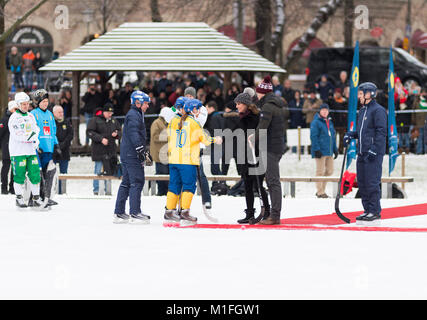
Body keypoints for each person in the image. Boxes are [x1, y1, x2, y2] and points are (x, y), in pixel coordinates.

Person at [164, 98, 222, 225]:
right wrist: (215, 139)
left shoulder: (174, 120)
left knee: (174, 185)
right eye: (197, 109)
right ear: (192, 110)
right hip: (188, 160)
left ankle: (169, 211)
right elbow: (205, 139)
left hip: (174, 159)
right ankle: (185, 212)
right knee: (189, 186)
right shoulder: (193, 123)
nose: (198, 112)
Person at [344, 82, 387, 224]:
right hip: (362, 152)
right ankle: (367, 209)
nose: (359, 97)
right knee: (362, 183)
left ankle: (374, 211)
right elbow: (363, 132)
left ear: (370, 94)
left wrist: (375, 149)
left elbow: (381, 132)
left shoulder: (378, 110)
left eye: (361, 94)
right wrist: (352, 134)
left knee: (371, 182)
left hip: (373, 153)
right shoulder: (362, 110)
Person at [252, 75, 286, 225]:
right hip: (277, 145)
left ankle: (275, 215)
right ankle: (274, 213)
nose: (256, 94)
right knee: (273, 181)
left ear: (263, 92)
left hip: (270, 147)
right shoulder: (276, 104)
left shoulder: (267, 106)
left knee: (273, 181)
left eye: (258, 92)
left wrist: (253, 138)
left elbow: (263, 127)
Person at [113, 91, 152, 223]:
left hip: (128, 153)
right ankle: (135, 213)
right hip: (131, 154)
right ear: (138, 102)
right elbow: (134, 133)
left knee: (127, 182)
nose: (147, 106)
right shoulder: (134, 115)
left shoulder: (136, 113)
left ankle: (119, 213)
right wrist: (140, 149)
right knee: (137, 181)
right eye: (145, 103)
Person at [234, 93, 270, 224]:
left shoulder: (256, 117)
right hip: (245, 155)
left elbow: (261, 134)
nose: (237, 106)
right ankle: (249, 212)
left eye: (239, 104)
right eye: (236, 104)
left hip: (257, 155)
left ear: (246, 104)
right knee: (247, 184)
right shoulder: (241, 117)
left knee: (258, 184)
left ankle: (266, 211)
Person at [8, 92, 44, 208]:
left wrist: (36, 140)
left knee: (35, 174)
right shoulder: (14, 118)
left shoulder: (30, 116)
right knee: (19, 175)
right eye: (23, 104)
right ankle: (19, 198)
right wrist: (31, 137)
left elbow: (36, 130)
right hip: (18, 151)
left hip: (30, 151)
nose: (25, 106)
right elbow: (17, 134)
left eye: (27, 104)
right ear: (18, 105)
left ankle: (36, 198)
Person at [184, 87, 212, 212]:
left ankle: (207, 199)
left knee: (200, 174)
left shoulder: (201, 108)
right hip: (183, 146)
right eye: (187, 96)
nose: (188, 98)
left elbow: (199, 122)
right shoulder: (181, 107)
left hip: (196, 145)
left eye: (191, 96)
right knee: (182, 174)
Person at [30, 89, 59, 208]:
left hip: (48, 149)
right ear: (38, 102)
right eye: (43, 101)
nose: (45, 103)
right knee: (38, 174)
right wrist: (35, 146)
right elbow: (31, 131)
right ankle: (35, 197)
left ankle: (46, 197)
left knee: (48, 174)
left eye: (46, 101)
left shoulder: (50, 114)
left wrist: (56, 145)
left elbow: (53, 131)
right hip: (39, 149)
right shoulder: (33, 114)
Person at [86, 103, 122, 195]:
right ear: (104, 112)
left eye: (111, 113)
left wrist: (117, 134)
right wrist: (101, 139)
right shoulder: (95, 120)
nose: (110, 115)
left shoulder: (114, 121)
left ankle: (107, 189)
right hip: (98, 150)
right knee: (98, 170)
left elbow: (120, 131)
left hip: (110, 150)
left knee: (109, 170)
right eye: (108, 112)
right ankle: (96, 190)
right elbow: (89, 132)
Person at [310, 103, 338, 198]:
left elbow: (332, 137)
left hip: (329, 150)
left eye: (326, 110)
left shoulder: (329, 122)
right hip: (320, 151)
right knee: (320, 171)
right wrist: (316, 149)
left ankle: (322, 189)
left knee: (330, 171)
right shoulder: (316, 122)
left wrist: (335, 149)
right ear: (320, 111)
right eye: (323, 110)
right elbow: (314, 137)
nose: (325, 112)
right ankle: (320, 191)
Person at [52, 105, 73, 194]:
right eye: (59, 112)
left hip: (64, 152)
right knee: (51, 173)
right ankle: (52, 191)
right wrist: (56, 145)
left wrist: (63, 145)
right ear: (54, 113)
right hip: (53, 152)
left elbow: (70, 135)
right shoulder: (51, 122)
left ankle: (62, 191)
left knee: (63, 173)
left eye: (62, 112)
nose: (61, 114)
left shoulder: (67, 122)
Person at [150, 107, 169, 196]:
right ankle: (161, 192)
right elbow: (155, 137)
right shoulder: (156, 123)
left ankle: (165, 191)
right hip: (158, 153)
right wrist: (167, 137)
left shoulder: (165, 123)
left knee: (165, 173)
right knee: (161, 173)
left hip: (165, 153)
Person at [0, 100, 18, 194]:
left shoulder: (18, 119)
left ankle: (12, 187)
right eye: (15, 109)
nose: (17, 111)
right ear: (11, 109)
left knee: (14, 168)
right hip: (6, 147)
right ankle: (4, 187)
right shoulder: (4, 119)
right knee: (6, 167)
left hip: (15, 147)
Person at [412, 87, 427, 154]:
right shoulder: (417, 100)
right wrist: (414, 122)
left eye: (425, 92)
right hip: (419, 122)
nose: (424, 94)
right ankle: (419, 151)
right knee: (420, 138)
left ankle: (426, 151)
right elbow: (413, 112)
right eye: (423, 92)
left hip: (426, 122)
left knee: (426, 138)